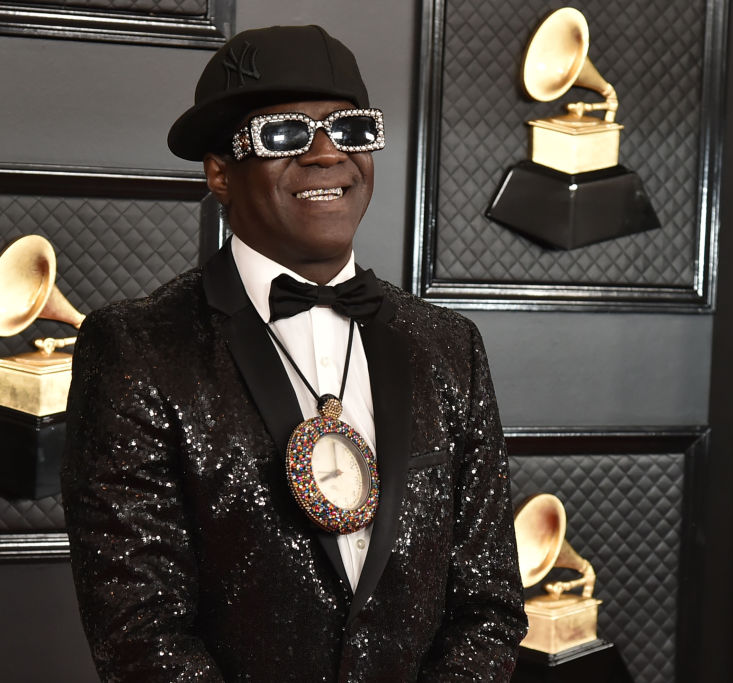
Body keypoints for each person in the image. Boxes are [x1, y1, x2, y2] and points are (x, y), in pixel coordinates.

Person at [62, 24, 526, 682]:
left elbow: (490, 605)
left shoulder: (451, 347)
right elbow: (141, 634)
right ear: (220, 172)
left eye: (352, 129)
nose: (327, 154)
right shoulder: (138, 349)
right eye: (284, 133)